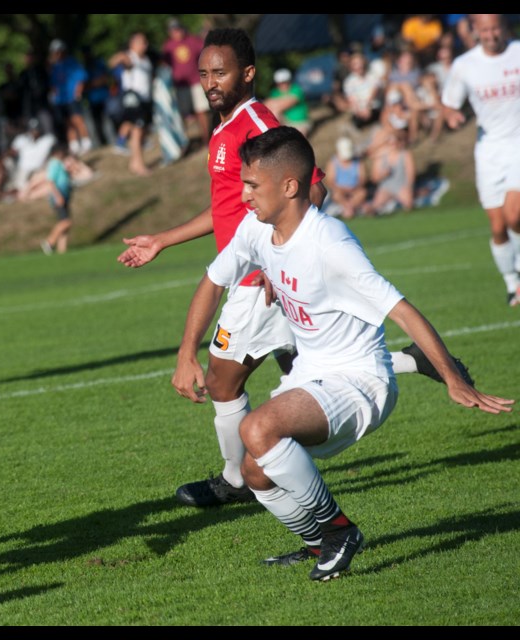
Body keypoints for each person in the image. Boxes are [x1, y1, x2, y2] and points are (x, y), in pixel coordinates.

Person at [118, 27, 469, 511]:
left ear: (247, 73)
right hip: (254, 265)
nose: (209, 82)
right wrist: (162, 239)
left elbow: (313, 189)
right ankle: (413, 361)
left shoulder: (257, 123)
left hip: (254, 277)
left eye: (219, 72)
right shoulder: (224, 126)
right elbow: (225, 209)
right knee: (305, 368)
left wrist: (279, 253)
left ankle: (235, 480)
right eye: (203, 74)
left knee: (222, 381)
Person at [171, 126, 512, 580]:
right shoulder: (257, 229)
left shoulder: (330, 243)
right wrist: (185, 352)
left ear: (289, 186)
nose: (244, 194)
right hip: (312, 375)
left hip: (360, 382)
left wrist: (452, 376)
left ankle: (340, 531)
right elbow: (214, 280)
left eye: (252, 184)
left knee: (258, 427)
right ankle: (317, 545)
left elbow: (402, 309)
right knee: (255, 474)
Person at [441, 14, 520, 307]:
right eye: (484, 29)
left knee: (515, 214)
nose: (490, 34)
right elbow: (448, 104)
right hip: (488, 151)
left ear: (504, 27)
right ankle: (512, 284)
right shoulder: (465, 66)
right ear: (475, 31)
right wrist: (452, 116)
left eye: (495, 28)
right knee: (498, 226)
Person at [109, 31, 154, 177]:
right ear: (133, 43)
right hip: (134, 100)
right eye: (142, 42)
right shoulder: (130, 57)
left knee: (141, 132)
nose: (145, 45)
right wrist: (122, 57)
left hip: (145, 99)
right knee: (137, 132)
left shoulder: (145, 59)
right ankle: (140, 165)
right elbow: (114, 61)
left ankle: (134, 163)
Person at [163, 17, 211, 148]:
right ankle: (185, 142)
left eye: (178, 29)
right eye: (173, 30)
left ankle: (206, 139)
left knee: (201, 110)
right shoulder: (168, 46)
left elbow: (204, 52)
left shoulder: (193, 41)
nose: (176, 32)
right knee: (184, 114)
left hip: (196, 81)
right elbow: (165, 65)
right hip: (180, 85)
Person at [47, 39, 93, 156]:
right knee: (67, 123)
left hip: (72, 97)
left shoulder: (72, 62)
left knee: (77, 120)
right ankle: (74, 145)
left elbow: (81, 78)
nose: (56, 54)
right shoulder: (55, 66)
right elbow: (53, 84)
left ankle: (86, 143)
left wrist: (78, 92)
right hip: (61, 100)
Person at [40, 143, 73, 256]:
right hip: (59, 196)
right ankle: (49, 242)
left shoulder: (59, 163)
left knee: (64, 225)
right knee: (66, 222)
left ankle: (62, 251)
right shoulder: (54, 163)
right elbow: (50, 181)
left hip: (64, 195)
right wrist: (57, 196)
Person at [324, 137, 368, 220]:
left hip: (354, 188)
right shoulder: (333, 162)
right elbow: (330, 181)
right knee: (336, 195)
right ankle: (349, 208)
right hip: (339, 189)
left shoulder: (358, 162)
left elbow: (362, 178)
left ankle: (349, 208)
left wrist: (355, 187)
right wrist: (340, 188)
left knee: (362, 193)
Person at [264, 68, 312, 136]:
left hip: (301, 122)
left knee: (298, 138)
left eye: (284, 82)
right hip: (285, 121)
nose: (282, 85)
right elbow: (267, 105)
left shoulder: (296, 89)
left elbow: (289, 102)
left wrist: (275, 104)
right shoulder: (274, 92)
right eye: (280, 83)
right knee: (274, 113)